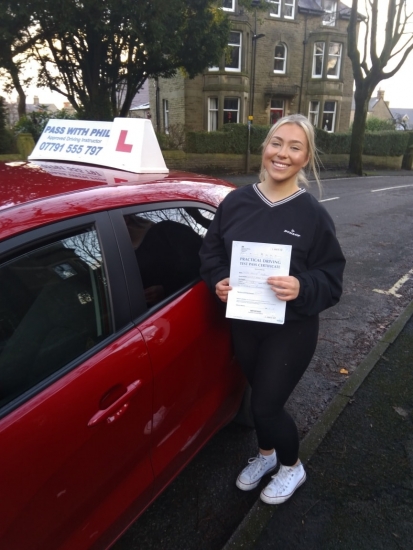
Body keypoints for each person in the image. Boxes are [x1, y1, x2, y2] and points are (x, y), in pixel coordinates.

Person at [199, 114, 345, 505]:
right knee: (256, 397)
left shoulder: (312, 214)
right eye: (277, 143)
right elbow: (211, 253)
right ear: (265, 147)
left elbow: (332, 278)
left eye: (295, 147)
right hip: (246, 321)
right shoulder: (236, 202)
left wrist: (302, 285)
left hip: (291, 328)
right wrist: (218, 281)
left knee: (266, 405)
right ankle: (265, 457)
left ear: (306, 157)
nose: (283, 153)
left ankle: (291, 467)